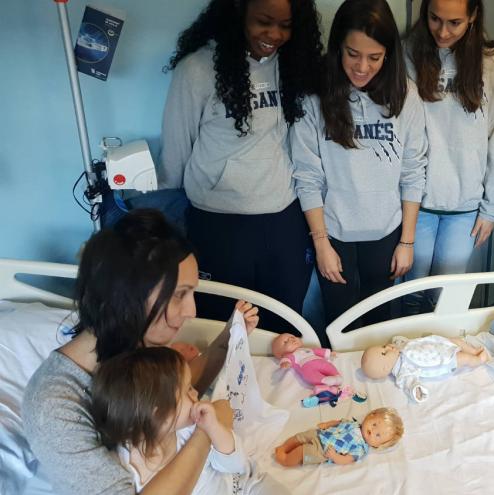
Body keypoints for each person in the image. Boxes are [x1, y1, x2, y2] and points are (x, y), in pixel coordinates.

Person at [22, 209, 257, 494]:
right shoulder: (55, 404)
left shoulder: (133, 344)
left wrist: (226, 342)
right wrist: (208, 431)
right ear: (129, 297)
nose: (192, 311)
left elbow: (172, 393)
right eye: (179, 294)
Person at [160, 0, 323, 334]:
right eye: (264, 22)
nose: (275, 34)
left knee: (283, 330)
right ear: (238, 14)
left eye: (286, 25)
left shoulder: (296, 66)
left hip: (283, 221)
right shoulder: (196, 71)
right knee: (220, 330)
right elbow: (175, 154)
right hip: (219, 225)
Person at [292, 0, 427, 343]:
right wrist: (321, 243)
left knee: (377, 330)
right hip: (334, 234)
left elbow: (413, 171)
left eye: (374, 57)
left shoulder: (405, 95)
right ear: (338, 46)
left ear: (389, 55)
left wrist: (407, 241)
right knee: (338, 331)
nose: (362, 67)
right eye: (353, 54)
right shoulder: (315, 96)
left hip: (386, 234)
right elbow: (307, 176)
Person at [401, 0, 494, 312]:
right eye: (435, 19)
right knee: (408, 297)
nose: (443, 31)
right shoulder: (407, 52)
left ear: (473, 17)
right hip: (414, 202)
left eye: (455, 23)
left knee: (445, 303)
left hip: (465, 205)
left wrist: (493, 208)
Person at [90, 347, 251, 494]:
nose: (196, 393)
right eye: (188, 389)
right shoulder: (123, 471)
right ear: (158, 413)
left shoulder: (192, 427)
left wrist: (213, 428)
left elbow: (237, 465)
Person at [360, 335, 489, 402]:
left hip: (437, 346)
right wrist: (416, 389)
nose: (387, 347)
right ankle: (478, 360)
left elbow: (406, 343)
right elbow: (409, 382)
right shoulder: (402, 371)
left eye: (383, 347)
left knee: (456, 341)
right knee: (463, 358)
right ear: (385, 368)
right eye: (384, 352)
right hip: (440, 361)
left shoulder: (397, 350)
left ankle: (474, 350)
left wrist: (397, 340)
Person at [274, 408, 404, 466]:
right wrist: (327, 424)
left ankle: (285, 459)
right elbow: (338, 422)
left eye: (378, 435)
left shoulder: (360, 449)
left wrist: (335, 457)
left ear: (377, 445)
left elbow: (347, 460)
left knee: (301, 452)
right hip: (320, 434)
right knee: (300, 437)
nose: (372, 430)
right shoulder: (354, 424)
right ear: (370, 416)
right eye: (374, 424)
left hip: (324, 451)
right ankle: (284, 447)